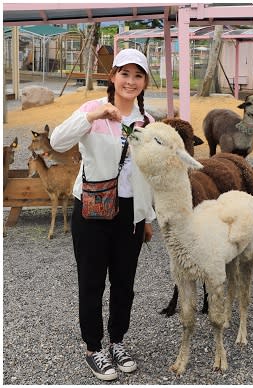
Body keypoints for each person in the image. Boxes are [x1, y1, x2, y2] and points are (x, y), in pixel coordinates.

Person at [50, 48, 156, 381]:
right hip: (93, 208)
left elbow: (149, 173)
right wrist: (94, 115)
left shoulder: (147, 122)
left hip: (130, 213)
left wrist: (147, 217)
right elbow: (56, 140)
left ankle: (118, 341)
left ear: (144, 82)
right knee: (92, 281)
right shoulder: (91, 109)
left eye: (138, 75)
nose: (131, 81)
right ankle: (93, 347)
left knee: (125, 282)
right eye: (124, 73)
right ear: (112, 77)